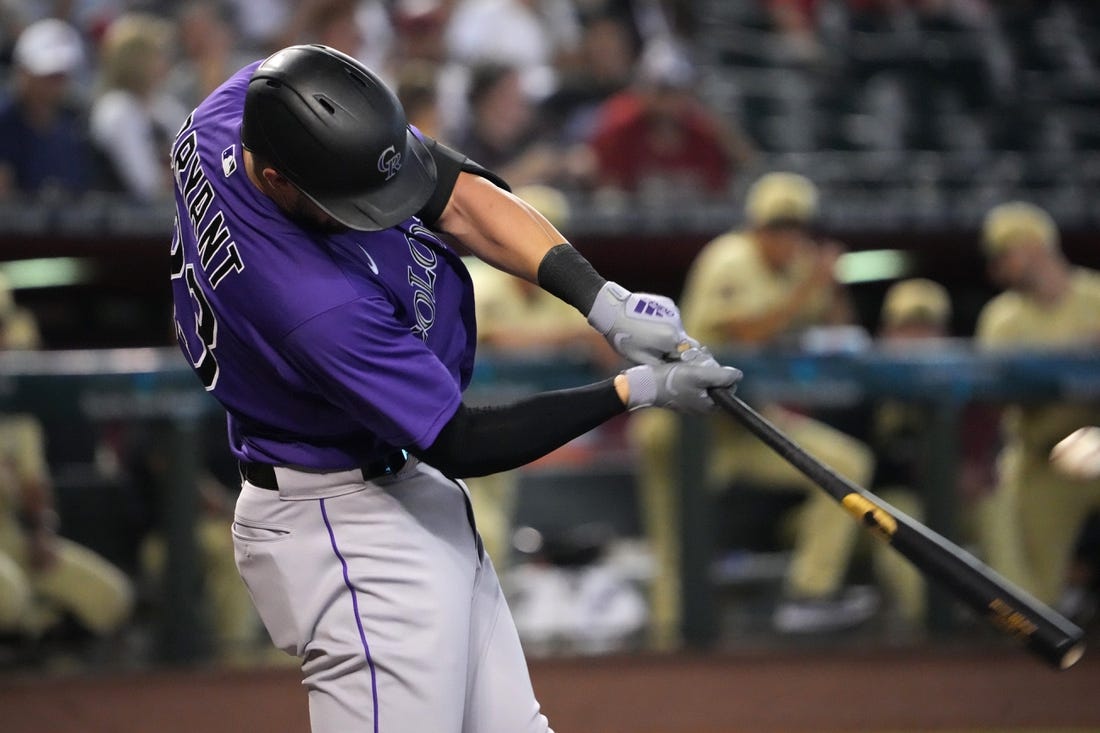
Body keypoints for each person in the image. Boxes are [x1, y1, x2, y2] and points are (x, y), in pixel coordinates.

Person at [168, 44, 740, 731]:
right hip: (347, 525)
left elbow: (455, 194)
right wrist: (636, 389)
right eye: (349, 204)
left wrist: (603, 302)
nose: (377, 212)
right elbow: (460, 439)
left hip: (395, 490)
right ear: (276, 179)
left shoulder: (232, 111)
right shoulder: (308, 304)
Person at [629, 172, 893, 647]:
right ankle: (669, 653)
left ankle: (810, 595)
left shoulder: (801, 267)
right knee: (675, 545)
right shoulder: (728, 257)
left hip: (746, 421)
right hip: (681, 424)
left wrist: (829, 286)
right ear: (756, 227)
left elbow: (842, 331)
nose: (786, 238)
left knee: (848, 464)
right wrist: (807, 284)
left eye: (795, 229)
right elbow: (746, 332)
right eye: (777, 228)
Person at [0, 276, 135, 661]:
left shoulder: (16, 405)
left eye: (3, 329)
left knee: (110, 598)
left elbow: (33, 484)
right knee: (9, 598)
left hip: (12, 540)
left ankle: (39, 645)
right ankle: (30, 633)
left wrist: (42, 529)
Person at [974, 201, 1100, 612]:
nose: (996, 268)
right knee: (1034, 606)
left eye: (1003, 255)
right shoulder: (1001, 318)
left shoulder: (1095, 297)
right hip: (1044, 459)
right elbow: (991, 400)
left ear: (1031, 247)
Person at [90, 13, 188, 202]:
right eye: (157, 56)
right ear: (135, 61)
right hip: (121, 223)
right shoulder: (116, 109)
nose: (165, 64)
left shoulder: (165, 107)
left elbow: (196, 163)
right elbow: (146, 184)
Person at [0, 17, 95, 199]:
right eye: (47, 76)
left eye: (60, 76)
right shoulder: (5, 121)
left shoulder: (76, 120)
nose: (55, 85)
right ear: (22, 71)